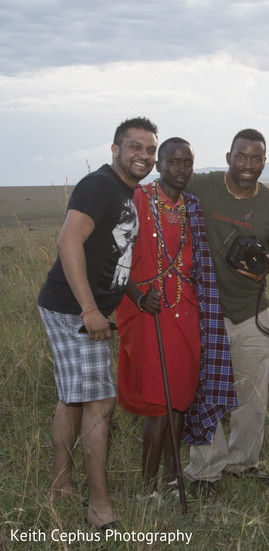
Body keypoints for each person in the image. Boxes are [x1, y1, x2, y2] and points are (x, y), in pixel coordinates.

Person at [37, 117, 158, 528]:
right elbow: (69, 241)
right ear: (115, 150)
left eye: (149, 149)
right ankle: (99, 508)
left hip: (80, 307)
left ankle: (60, 486)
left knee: (73, 398)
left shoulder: (128, 192)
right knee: (100, 402)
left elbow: (112, 258)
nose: (143, 155)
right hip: (73, 309)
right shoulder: (100, 185)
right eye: (135, 147)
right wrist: (90, 311)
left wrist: (136, 295)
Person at [115, 138, 237, 494]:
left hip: (186, 311)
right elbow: (115, 258)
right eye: (174, 163)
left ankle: (173, 476)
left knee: (180, 396)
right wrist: (139, 298)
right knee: (159, 402)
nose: (181, 170)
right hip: (148, 313)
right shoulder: (137, 199)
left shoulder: (192, 207)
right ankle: (148, 487)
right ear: (159, 164)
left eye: (187, 163)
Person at [182, 129, 269, 499]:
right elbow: (165, 190)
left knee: (253, 393)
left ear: (264, 161)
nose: (248, 165)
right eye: (241, 157)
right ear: (229, 156)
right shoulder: (202, 185)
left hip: (251, 312)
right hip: (205, 310)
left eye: (256, 158)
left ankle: (244, 463)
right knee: (206, 392)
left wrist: (266, 267)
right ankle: (204, 471)